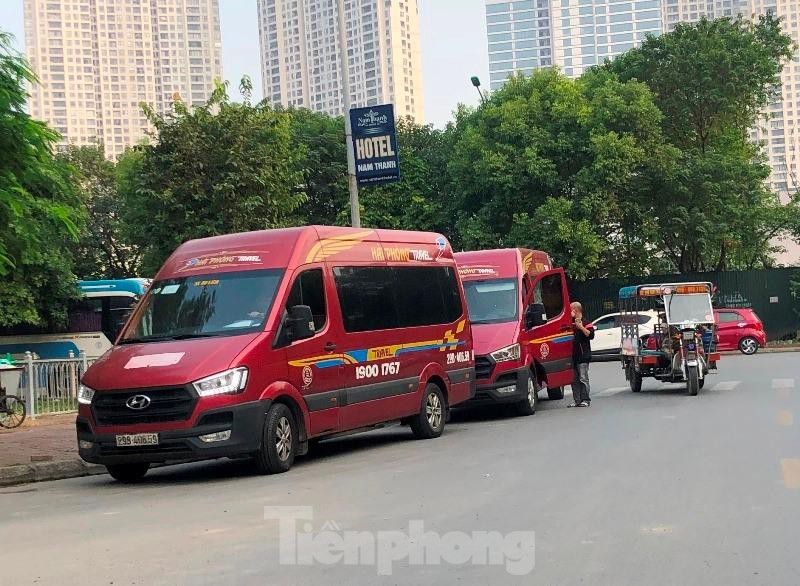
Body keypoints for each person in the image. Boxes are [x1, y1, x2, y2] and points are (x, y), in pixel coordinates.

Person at [569, 301, 595, 408]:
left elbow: (591, 335)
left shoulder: (586, 322)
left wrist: (580, 327)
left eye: (570, 310)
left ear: (575, 310)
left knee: (583, 378)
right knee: (574, 380)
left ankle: (585, 399)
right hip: (572, 356)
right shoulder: (570, 324)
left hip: (583, 356)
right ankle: (577, 400)